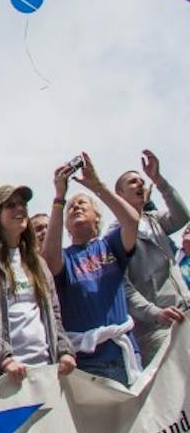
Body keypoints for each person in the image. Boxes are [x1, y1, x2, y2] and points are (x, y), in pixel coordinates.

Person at [0, 184, 75, 394]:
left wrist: (65, 351)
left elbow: (54, 316)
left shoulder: (37, 264)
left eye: (22, 204)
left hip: (46, 374)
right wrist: (4, 358)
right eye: (10, 205)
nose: (19, 209)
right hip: (3, 381)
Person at [43, 154, 141, 385]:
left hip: (121, 352)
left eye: (82, 204)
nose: (75, 206)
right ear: (66, 225)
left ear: (97, 217)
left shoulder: (110, 244)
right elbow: (47, 260)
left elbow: (132, 221)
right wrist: (59, 197)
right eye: (71, 207)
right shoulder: (65, 258)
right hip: (87, 362)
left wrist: (97, 186)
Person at [111, 150, 189, 364]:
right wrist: (155, 312)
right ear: (119, 195)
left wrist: (159, 180)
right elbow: (124, 288)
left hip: (186, 314)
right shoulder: (115, 235)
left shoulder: (154, 220)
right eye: (132, 182)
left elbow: (182, 216)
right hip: (157, 328)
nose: (140, 184)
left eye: (142, 181)